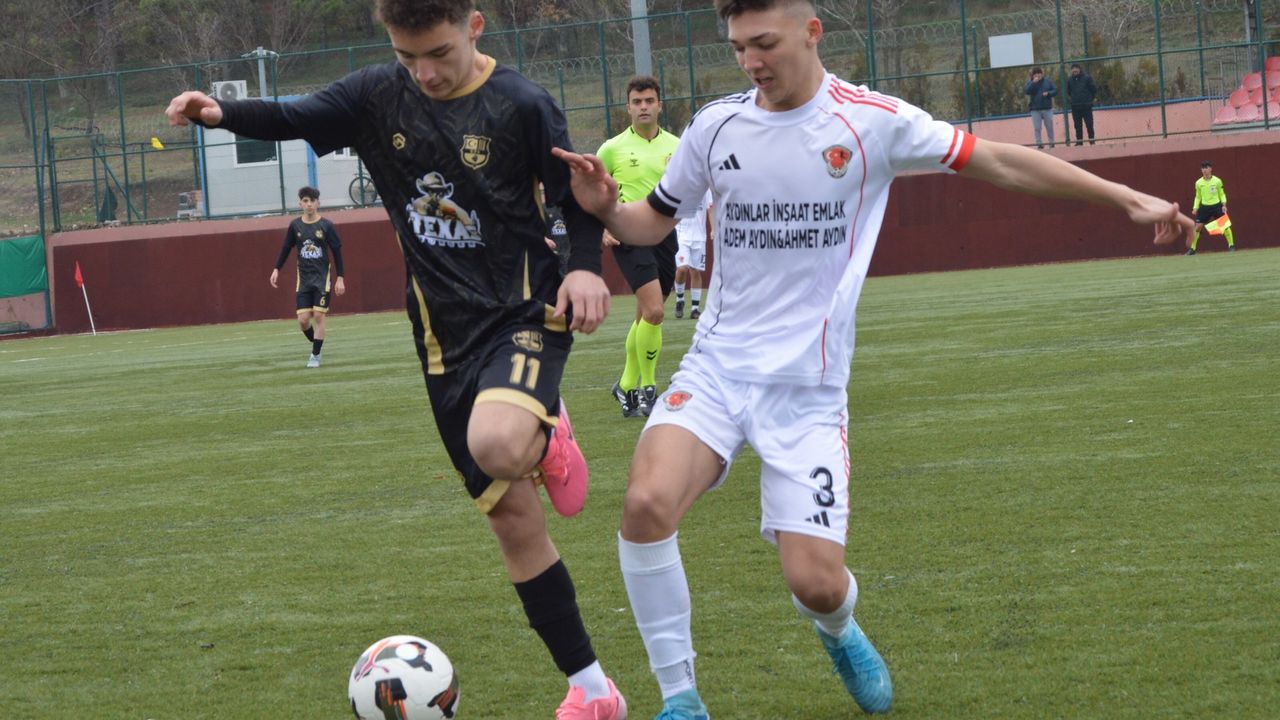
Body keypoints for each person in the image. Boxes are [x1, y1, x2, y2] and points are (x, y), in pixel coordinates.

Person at [553, 1, 1192, 717]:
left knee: (816, 585)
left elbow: (1000, 162)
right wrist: (607, 208)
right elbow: (651, 222)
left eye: (763, 43)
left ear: (811, 32)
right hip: (717, 369)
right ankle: (681, 699)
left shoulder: (871, 122)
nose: (751, 62)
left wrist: (1124, 197)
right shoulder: (715, 125)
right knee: (645, 504)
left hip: (809, 390)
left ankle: (837, 627)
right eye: (737, 48)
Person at [165, 2, 627, 718]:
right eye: (408, 57)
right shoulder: (377, 95)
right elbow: (293, 115)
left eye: (439, 53)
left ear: (474, 26)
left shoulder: (523, 105)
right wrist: (220, 115)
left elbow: (576, 195)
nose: (426, 73)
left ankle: (544, 430)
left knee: (498, 442)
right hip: (442, 339)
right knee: (512, 522)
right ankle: (593, 690)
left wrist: (586, 267)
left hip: (524, 312)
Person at [598, 76, 681, 419]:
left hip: (665, 235)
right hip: (628, 234)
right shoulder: (611, 148)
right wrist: (602, 227)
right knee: (655, 312)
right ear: (628, 107)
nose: (643, 107)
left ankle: (624, 384)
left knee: (646, 315)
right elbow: (590, 194)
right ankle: (648, 388)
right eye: (637, 101)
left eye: (649, 101)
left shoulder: (678, 146)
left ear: (659, 105)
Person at [270, 185, 346, 368]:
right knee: (303, 320)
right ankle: (317, 343)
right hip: (304, 280)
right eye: (305, 201)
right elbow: (286, 248)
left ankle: (315, 355)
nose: (309, 204)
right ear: (300, 204)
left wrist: (340, 277)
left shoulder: (326, 226)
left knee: (319, 316)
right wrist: (276, 268)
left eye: (312, 201)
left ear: (318, 203)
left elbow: (336, 251)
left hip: (322, 279)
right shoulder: (295, 226)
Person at [672, 189, 712, 320]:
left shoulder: (706, 189)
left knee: (695, 271)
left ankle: (695, 308)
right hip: (681, 236)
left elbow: (710, 208)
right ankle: (680, 299)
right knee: (682, 269)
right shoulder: (681, 185)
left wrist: (713, 229)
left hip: (699, 237)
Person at [1188, 160, 1236, 255]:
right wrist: (1195, 207)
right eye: (1203, 168)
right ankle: (1192, 249)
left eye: (1206, 167)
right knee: (1197, 228)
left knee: (1225, 226)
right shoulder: (1198, 183)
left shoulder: (1217, 181)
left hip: (1216, 206)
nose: (1204, 170)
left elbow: (1222, 194)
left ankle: (1231, 245)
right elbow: (1198, 197)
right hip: (1204, 208)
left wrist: (1224, 205)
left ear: (1210, 169)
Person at [1025, 66, 1057, 149]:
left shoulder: (1048, 81)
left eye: (1039, 73)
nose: (1038, 75)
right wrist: (1033, 83)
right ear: (1033, 75)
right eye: (1035, 74)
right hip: (1035, 109)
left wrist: (1049, 93)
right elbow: (1027, 91)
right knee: (1037, 127)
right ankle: (1039, 143)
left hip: (1047, 108)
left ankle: (1051, 142)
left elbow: (1055, 90)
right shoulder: (1030, 82)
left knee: (1049, 126)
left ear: (1042, 74)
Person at [1066, 63, 1097, 146]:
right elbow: (1068, 92)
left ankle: (1092, 141)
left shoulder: (1087, 78)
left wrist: (1090, 99)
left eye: (1076, 68)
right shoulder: (1070, 80)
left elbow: (1093, 89)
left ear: (1080, 69)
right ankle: (1079, 142)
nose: (1075, 70)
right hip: (1075, 107)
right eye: (1073, 68)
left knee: (1089, 124)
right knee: (1077, 126)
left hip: (1086, 106)